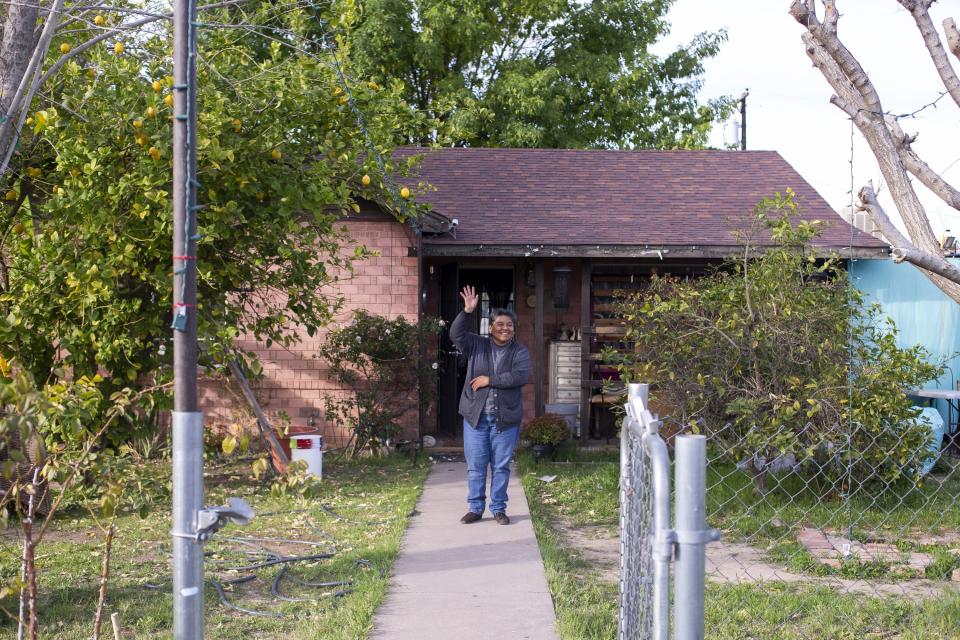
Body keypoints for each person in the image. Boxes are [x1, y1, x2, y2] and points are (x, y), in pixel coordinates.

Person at [450, 285, 531, 525]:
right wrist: (467, 312)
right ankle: (475, 508)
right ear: (490, 326)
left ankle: (498, 508)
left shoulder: (520, 351)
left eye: (509, 325)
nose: (505, 328)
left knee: (501, 467)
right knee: (475, 467)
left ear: (514, 329)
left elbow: (519, 377)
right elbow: (455, 335)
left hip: (505, 420)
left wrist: (490, 380)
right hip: (476, 418)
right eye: (500, 324)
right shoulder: (477, 344)